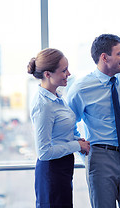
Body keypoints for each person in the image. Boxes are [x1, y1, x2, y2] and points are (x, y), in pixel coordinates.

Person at [66, 34, 120, 208]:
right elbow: (68, 127)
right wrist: (84, 152)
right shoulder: (81, 88)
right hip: (101, 160)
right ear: (104, 57)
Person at [28, 48, 90, 208]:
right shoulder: (44, 105)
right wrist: (77, 145)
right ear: (47, 74)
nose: (68, 73)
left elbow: (59, 133)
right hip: (51, 171)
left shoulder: (57, 97)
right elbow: (44, 152)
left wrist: (77, 140)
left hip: (62, 168)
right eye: (64, 70)